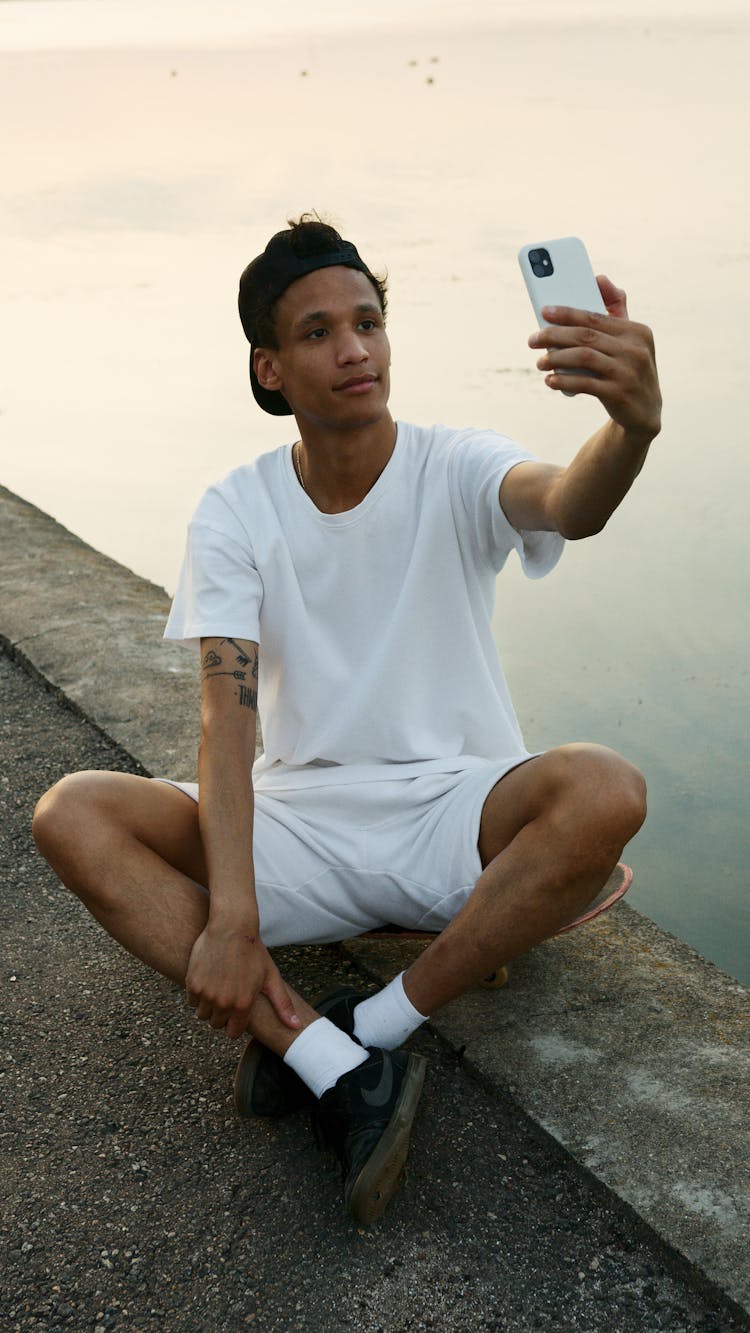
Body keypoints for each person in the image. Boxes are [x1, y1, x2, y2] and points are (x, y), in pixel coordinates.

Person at [32, 215, 661, 1225]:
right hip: (298, 826)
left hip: (452, 814)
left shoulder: (457, 463)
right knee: (70, 812)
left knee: (605, 789)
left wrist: (630, 427)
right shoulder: (235, 508)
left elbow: (566, 501)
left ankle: (370, 1022)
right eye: (319, 332)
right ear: (270, 368)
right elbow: (223, 718)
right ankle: (324, 1058)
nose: (354, 349)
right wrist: (232, 917)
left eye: (367, 321)